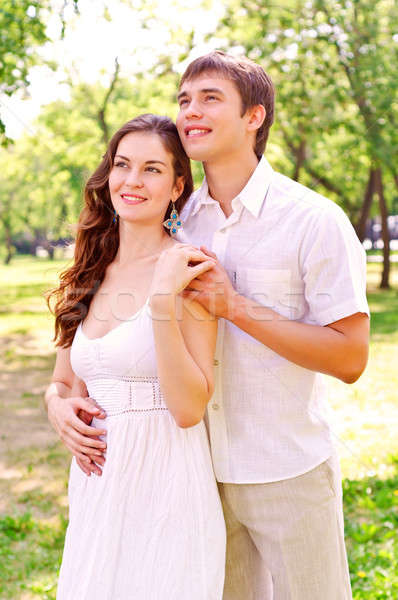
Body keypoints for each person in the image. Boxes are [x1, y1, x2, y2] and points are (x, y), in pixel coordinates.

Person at [45, 114, 226, 599]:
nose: (131, 180)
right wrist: (57, 407)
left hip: (166, 485)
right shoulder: (87, 268)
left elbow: (189, 411)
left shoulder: (190, 268)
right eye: (123, 164)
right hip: (98, 488)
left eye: (151, 169)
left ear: (176, 187)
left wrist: (164, 301)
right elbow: (64, 383)